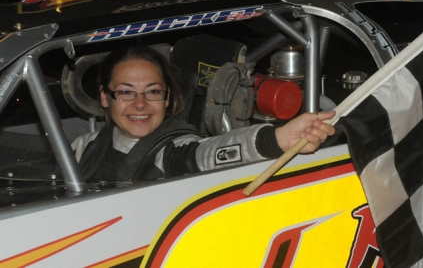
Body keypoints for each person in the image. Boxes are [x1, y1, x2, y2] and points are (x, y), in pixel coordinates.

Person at [72, 45, 336, 182]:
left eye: (152, 92)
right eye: (126, 92)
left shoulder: (174, 150)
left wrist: (275, 140)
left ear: (168, 98)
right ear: (105, 97)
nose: (140, 104)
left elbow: (206, 154)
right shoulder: (85, 146)